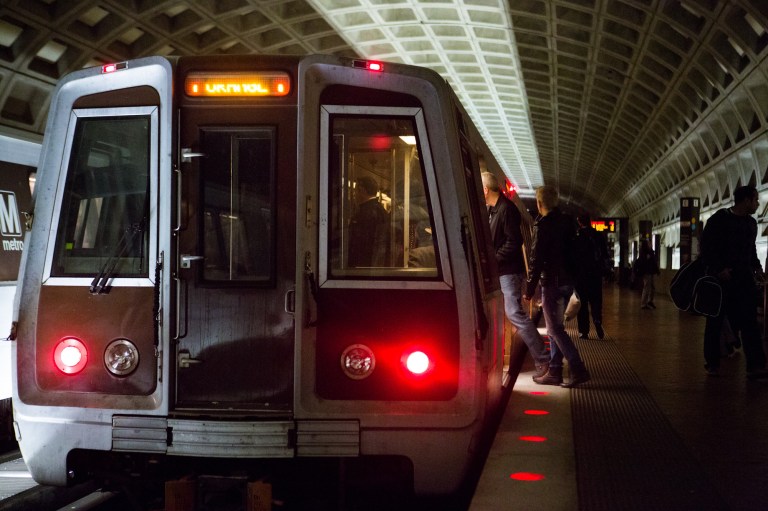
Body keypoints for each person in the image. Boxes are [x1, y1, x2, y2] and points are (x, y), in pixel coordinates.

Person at [482, 172, 550, 379]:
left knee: (514, 314)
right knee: (507, 314)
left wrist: (492, 258)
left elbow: (514, 242)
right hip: (501, 272)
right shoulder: (493, 210)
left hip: (508, 272)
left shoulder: (507, 209)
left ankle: (543, 357)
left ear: (485, 190)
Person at [523, 185, 590, 388]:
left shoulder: (542, 225)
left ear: (539, 203)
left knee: (554, 329)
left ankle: (578, 368)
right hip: (567, 282)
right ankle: (555, 370)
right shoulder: (568, 222)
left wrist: (529, 289)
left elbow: (535, 259)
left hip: (551, 282)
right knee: (556, 328)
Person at [700, 185, 768, 378]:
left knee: (749, 321)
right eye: (755, 200)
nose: (757, 203)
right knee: (715, 321)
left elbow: (751, 250)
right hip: (721, 280)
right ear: (745, 200)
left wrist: (757, 268)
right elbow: (706, 248)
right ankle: (712, 362)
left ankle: (755, 364)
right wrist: (718, 269)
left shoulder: (751, 224)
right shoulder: (719, 220)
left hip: (743, 279)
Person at [573, 213, 608, 339]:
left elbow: (572, 257)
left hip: (580, 277)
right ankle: (597, 320)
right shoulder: (598, 235)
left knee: (581, 305)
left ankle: (584, 331)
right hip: (595, 276)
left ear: (579, 222)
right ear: (590, 222)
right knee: (596, 301)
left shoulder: (577, 236)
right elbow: (605, 255)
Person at [348, 176, 388, 267]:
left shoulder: (364, 213)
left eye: (355, 190)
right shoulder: (381, 210)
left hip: (362, 263)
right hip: (375, 262)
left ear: (362, 190)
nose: (354, 194)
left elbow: (357, 243)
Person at [635, 239, 659, 309]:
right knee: (647, 287)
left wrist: (657, 270)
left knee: (652, 287)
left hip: (651, 272)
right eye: (649, 243)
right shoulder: (644, 253)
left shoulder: (651, 252)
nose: (650, 244)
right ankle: (643, 304)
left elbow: (653, 262)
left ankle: (649, 301)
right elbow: (643, 262)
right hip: (646, 272)